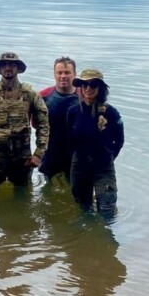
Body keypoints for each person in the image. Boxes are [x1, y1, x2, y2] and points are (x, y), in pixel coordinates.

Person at [0, 52, 49, 189]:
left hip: (23, 159)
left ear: (17, 67)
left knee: (24, 197)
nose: (8, 67)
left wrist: (38, 153)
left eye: (12, 64)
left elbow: (43, 125)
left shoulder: (31, 94)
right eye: (4, 64)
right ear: (0, 68)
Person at [67, 69, 124, 216]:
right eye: (84, 85)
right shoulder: (73, 112)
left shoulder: (111, 113)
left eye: (93, 85)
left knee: (107, 209)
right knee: (83, 208)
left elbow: (119, 141)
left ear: (101, 88)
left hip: (103, 166)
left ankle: (105, 236)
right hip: (80, 165)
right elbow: (70, 140)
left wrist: (109, 156)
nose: (88, 89)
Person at [39, 56, 82, 179]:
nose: (63, 76)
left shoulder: (83, 96)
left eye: (67, 72)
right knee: (47, 191)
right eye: (59, 73)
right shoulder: (43, 96)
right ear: (54, 74)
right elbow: (35, 124)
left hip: (75, 154)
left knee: (75, 190)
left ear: (74, 74)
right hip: (50, 152)